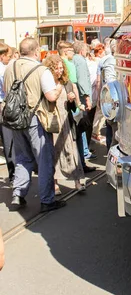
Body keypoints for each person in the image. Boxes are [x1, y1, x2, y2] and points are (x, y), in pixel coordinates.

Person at [3, 38, 66, 212]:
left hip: (15, 119)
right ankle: (47, 200)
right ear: (36, 51)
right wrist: (59, 88)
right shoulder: (41, 70)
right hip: (35, 118)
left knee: (22, 157)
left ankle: (18, 194)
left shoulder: (10, 67)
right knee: (44, 159)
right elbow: (51, 96)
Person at [43, 54, 85, 194]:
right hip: (53, 123)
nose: (60, 71)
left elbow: (72, 108)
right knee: (54, 153)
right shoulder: (47, 84)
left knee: (72, 152)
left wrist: (72, 100)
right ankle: (55, 184)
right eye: (57, 68)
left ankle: (78, 182)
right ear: (50, 69)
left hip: (66, 121)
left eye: (61, 68)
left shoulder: (66, 83)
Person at [73, 41, 97, 167]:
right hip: (82, 99)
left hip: (78, 98)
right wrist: (87, 98)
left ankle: (83, 152)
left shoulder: (74, 59)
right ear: (82, 51)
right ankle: (84, 153)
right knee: (82, 125)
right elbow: (83, 80)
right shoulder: (81, 61)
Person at [96, 39, 117, 150]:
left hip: (106, 96)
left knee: (109, 124)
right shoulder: (119, 60)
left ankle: (109, 150)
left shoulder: (103, 61)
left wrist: (100, 97)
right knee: (116, 128)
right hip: (117, 97)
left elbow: (99, 81)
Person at [0, 44, 14, 181]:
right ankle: (14, 175)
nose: (9, 59)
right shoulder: (4, 70)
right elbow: (7, 89)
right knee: (9, 142)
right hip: (3, 106)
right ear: (2, 55)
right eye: (8, 57)